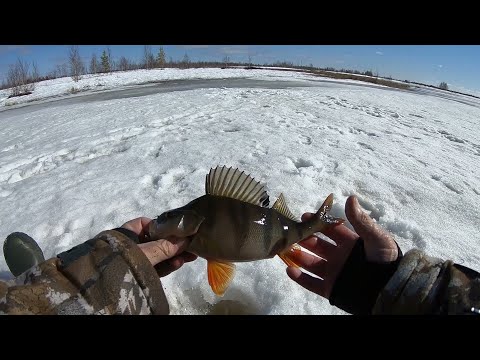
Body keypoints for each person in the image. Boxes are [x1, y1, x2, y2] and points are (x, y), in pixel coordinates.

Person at [1, 195, 479, 315]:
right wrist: (393, 289)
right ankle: (59, 287)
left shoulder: (188, 225)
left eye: (169, 217)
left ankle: (53, 288)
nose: (161, 224)